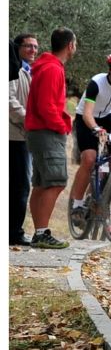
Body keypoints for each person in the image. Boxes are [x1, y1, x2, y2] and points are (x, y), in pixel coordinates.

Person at [68, 51, 111, 230]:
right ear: (110, 70)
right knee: (89, 159)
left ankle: (101, 190)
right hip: (86, 119)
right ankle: (77, 205)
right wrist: (96, 128)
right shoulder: (96, 83)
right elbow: (88, 112)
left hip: (106, 118)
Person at [25, 27, 78, 248]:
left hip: (38, 131)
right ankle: (42, 232)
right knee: (56, 182)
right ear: (70, 45)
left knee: (40, 183)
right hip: (47, 132)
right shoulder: (53, 70)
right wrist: (61, 126)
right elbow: (46, 106)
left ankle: (40, 232)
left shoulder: (47, 67)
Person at [9, 33, 38, 245]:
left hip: (22, 135)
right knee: (20, 186)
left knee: (18, 185)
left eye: (35, 47)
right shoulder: (14, 69)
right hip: (14, 135)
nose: (33, 50)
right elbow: (8, 100)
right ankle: (14, 233)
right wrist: (28, 119)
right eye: (28, 46)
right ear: (18, 47)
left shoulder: (27, 71)